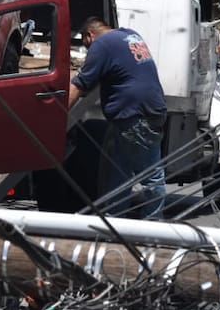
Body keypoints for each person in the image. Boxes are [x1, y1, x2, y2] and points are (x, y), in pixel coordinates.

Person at [67, 16, 167, 219]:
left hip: (135, 115)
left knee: (151, 177)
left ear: (89, 36)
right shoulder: (129, 35)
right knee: (115, 175)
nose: (88, 51)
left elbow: (81, 84)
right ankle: (113, 223)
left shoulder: (101, 44)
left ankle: (154, 229)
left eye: (87, 46)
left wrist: (56, 117)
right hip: (142, 111)